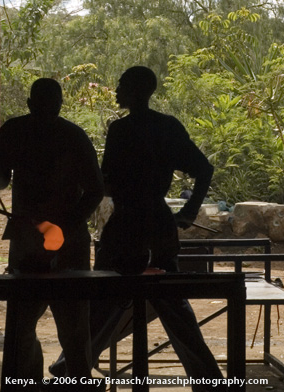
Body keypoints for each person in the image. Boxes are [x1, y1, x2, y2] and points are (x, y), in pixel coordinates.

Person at [50, 67, 225, 391]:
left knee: (104, 298)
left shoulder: (120, 130)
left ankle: (69, 368)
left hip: (126, 224)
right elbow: (204, 169)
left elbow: (109, 183)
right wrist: (188, 209)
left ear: (134, 90)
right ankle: (209, 380)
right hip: (158, 223)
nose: (116, 88)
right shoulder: (167, 127)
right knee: (173, 305)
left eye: (121, 84)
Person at [0, 78, 104, 391]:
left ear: (29, 103)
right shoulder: (73, 135)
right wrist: (66, 227)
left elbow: (0, 178)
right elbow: (95, 191)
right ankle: (76, 383)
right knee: (74, 324)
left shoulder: (15, 130)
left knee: (22, 322)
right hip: (67, 241)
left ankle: (24, 383)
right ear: (60, 104)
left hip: (29, 238)